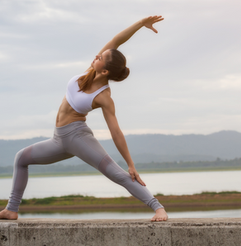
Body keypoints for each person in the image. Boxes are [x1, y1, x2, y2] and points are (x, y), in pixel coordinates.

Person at [0, 16, 168, 222]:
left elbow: (116, 132)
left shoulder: (104, 97)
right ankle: (11, 210)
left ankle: (158, 208)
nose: (97, 55)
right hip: (58, 139)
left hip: (78, 138)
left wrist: (131, 164)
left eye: (100, 58)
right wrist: (140, 24)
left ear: (105, 70)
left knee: (117, 174)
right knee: (21, 158)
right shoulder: (89, 72)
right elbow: (116, 40)